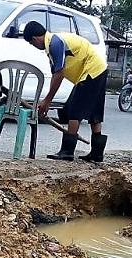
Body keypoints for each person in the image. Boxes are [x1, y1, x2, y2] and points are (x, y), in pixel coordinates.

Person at [23, 21, 109, 162]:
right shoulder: (53, 43)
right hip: (98, 70)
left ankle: (67, 151)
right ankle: (97, 154)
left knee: (73, 110)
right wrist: (47, 99)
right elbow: (55, 74)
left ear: (34, 39)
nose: (34, 46)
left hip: (91, 71)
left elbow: (59, 74)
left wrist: (47, 101)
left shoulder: (55, 44)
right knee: (94, 112)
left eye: (32, 43)